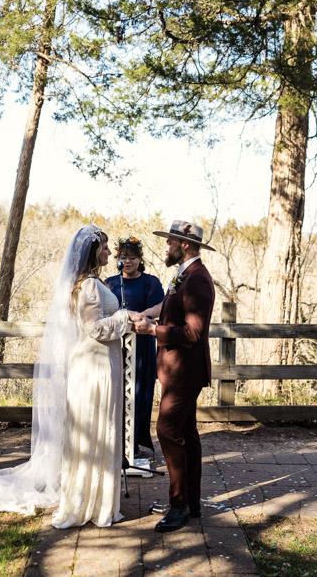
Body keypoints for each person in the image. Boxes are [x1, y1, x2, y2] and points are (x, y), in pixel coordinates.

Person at [0, 225, 139, 528]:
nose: (109, 252)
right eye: (104, 247)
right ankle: (87, 504)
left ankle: (95, 500)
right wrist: (126, 317)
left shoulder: (92, 283)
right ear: (94, 251)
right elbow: (94, 328)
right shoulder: (89, 285)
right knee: (93, 432)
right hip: (94, 368)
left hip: (102, 364)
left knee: (97, 431)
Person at [134, 220, 216, 533]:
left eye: (170, 242)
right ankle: (191, 504)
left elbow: (194, 333)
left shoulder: (197, 280)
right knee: (188, 434)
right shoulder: (184, 275)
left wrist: (153, 330)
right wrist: (150, 319)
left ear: (185, 245)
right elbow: (174, 316)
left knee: (166, 430)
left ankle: (179, 505)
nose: (166, 247)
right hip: (176, 370)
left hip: (185, 372)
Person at [104, 235, 164, 457]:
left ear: (140, 259)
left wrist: (140, 316)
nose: (127, 261)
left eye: (132, 257)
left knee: (139, 392)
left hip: (143, 344)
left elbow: (159, 306)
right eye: (122, 257)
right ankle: (115, 441)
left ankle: (134, 443)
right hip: (116, 343)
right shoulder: (109, 283)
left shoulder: (151, 282)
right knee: (116, 391)